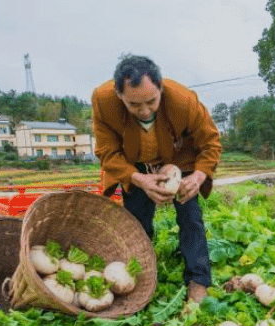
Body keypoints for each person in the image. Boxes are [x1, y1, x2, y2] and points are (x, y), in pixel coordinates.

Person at [92, 55, 222, 303]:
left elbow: (211, 143)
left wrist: (198, 174)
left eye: (152, 102)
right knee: (137, 218)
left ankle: (198, 278)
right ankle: (136, 274)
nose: (144, 111)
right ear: (119, 95)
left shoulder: (183, 101)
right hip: (135, 163)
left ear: (161, 88)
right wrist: (140, 180)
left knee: (190, 215)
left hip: (179, 157)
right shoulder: (103, 101)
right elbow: (107, 153)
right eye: (134, 105)